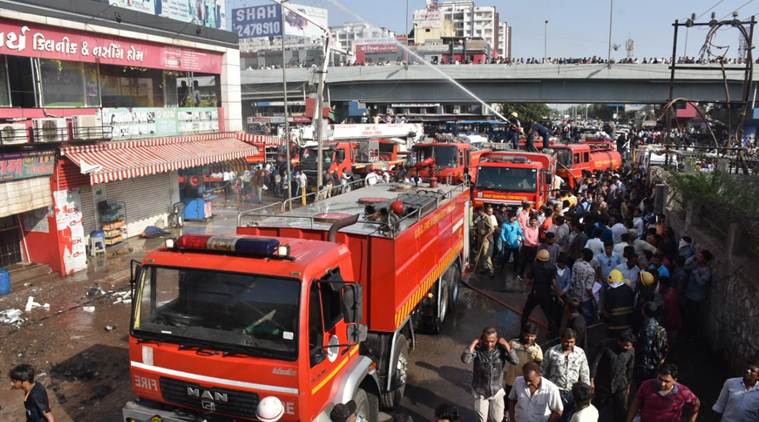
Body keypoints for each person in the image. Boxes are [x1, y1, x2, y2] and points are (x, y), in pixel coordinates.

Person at [461, 327, 520, 422]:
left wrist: (506, 345)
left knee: (497, 419)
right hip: (480, 391)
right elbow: (465, 360)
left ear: (496, 340)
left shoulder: (501, 350)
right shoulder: (477, 349)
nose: (489, 344)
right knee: (482, 419)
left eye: (492, 341)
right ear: (482, 339)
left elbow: (515, 361)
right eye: (486, 341)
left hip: (497, 390)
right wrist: (474, 343)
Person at [542, 329, 590, 421]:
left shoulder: (580, 353)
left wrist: (586, 393)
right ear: (561, 339)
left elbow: (584, 373)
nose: (569, 345)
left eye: (571, 342)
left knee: (568, 418)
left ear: (575, 341)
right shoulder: (552, 352)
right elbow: (543, 371)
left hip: (572, 393)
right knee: (552, 417)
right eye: (566, 342)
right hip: (555, 392)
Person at [626, 363, 700, 422]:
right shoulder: (646, 385)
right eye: (660, 379)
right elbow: (636, 403)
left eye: (667, 381)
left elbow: (696, 403)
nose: (662, 383)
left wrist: (692, 420)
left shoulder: (683, 392)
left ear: (675, 380)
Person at [591, 330, 636, 421]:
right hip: (603, 383)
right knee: (598, 407)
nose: (628, 348)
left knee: (621, 409)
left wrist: (628, 385)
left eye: (630, 345)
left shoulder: (631, 351)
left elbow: (630, 368)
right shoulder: (606, 345)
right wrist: (592, 379)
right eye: (626, 345)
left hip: (620, 383)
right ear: (619, 342)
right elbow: (595, 362)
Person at [521, 249, 560, 336]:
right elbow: (554, 282)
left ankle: (522, 332)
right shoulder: (553, 267)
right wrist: (558, 293)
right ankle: (554, 334)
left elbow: (529, 280)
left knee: (526, 313)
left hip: (535, 292)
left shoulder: (535, 266)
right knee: (550, 316)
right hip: (546, 293)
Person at [505, 323, 544, 398]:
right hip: (511, 380)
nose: (529, 338)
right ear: (522, 334)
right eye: (527, 335)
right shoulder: (513, 343)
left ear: (535, 336)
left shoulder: (537, 349)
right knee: (508, 399)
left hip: (525, 382)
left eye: (532, 336)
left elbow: (537, 367)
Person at [634, 302, 669, 386]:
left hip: (645, 366)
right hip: (656, 364)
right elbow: (665, 348)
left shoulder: (646, 329)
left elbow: (644, 349)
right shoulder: (660, 328)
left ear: (643, 312)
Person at [601, 268, 636, 338]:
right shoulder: (629, 289)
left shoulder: (609, 292)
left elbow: (607, 309)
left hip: (614, 325)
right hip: (628, 323)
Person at [570, 248, 597, 323]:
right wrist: (593, 297)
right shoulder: (591, 270)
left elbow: (572, 280)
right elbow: (588, 288)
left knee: (575, 316)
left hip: (575, 295)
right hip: (585, 298)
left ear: (582, 256)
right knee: (587, 317)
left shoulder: (576, 265)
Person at [500, 210, 523, 278]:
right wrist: (505, 241)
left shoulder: (516, 224)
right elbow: (502, 234)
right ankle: (502, 268)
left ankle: (515, 270)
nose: (511, 219)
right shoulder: (505, 224)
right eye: (509, 217)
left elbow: (519, 232)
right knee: (506, 258)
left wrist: (522, 236)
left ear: (514, 217)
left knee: (516, 258)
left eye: (512, 217)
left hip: (515, 244)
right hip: (508, 245)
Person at [474, 207, 496, 277]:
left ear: (482, 212)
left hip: (486, 239)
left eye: (479, 212)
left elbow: (492, 230)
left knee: (486, 255)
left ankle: (491, 270)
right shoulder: (479, 217)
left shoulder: (487, 218)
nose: (478, 213)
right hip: (480, 238)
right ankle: (482, 269)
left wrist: (486, 236)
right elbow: (474, 223)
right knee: (480, 255)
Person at [518, 215, 540, 279]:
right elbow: (527, 238)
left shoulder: (537, 228)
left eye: (535, 221)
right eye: (532, 221)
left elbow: (537, 237)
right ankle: (520, 274)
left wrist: (537, 244)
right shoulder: (526, 229)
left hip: (534, 248)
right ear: (529, 221)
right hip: (526, 247)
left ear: (536, 221)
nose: (533, 222)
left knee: (533, 262)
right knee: (524, 262)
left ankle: (530, 275)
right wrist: (536, 244)